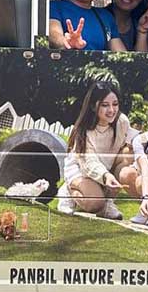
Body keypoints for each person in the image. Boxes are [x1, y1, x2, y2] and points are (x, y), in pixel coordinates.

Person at [56, 80, 133, 220]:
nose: (111, 110)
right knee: (95, 203)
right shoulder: (84, 130)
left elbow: (135, 142)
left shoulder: (122, 122)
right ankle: (68, 191)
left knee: (129, 153)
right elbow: (89, 163)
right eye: (105, 105)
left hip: (105, 170)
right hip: (81, 170)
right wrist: (106, 176)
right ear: (93, 106)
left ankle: (108, 203)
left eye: (115, 104)